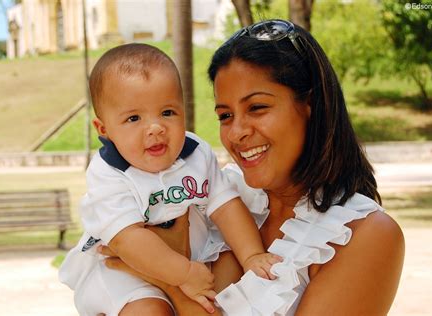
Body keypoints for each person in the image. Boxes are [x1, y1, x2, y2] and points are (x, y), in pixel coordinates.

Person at [99, 19, 405, 315]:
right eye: (225, 116)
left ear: (309, 105)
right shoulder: (213, 195)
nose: (237, 132)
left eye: (257, 107)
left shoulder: (363, 235)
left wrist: (164, 277)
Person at [58, 43, 281, 316]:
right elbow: (128, 241)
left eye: (167, 112)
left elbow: (226, 206)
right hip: (128, 270)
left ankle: (217, 306)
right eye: (133, 118)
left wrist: (252, 255)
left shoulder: (195, 153)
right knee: (149, 310)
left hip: (195, 255)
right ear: (104, 129)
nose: (155, 128)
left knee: (231, 261)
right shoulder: (108, 172)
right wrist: (183, 274)